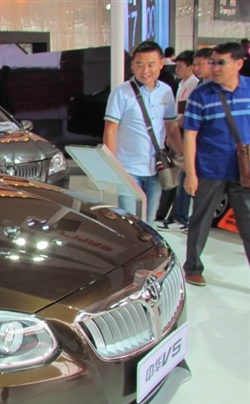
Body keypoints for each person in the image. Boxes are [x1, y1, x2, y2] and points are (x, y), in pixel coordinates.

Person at [182, 41, 250, 286]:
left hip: (243, 171)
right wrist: (191, 173)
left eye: (221, 62)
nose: (215, 67)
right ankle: (192, 267)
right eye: (213, 62)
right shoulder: (200, 95)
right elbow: (190, 136)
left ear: (239, 64)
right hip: (210, 169)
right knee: (201, 220)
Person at [104, 40, 183, 224]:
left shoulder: (166, 92)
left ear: (161, 64)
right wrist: (112, 167)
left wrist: (183, 155)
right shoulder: (121, 93)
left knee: (148, 221)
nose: (145, 70)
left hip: (156, 168)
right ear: (132, 65)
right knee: (129, 221)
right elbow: (110, 129)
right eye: (139, 65)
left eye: (150, 64)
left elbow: (171, 128)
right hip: (127, 169)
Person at [158, 50, 198, 231]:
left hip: (184, 134)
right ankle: (169, 214)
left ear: (190, 67)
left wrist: (173, 129)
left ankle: (180, 217)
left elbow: (185, 115)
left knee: (182, 176)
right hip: (176, 133)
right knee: (172, 175)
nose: (177, 70)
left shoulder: (194, 86)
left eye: (181, 67)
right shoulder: (181, 85)